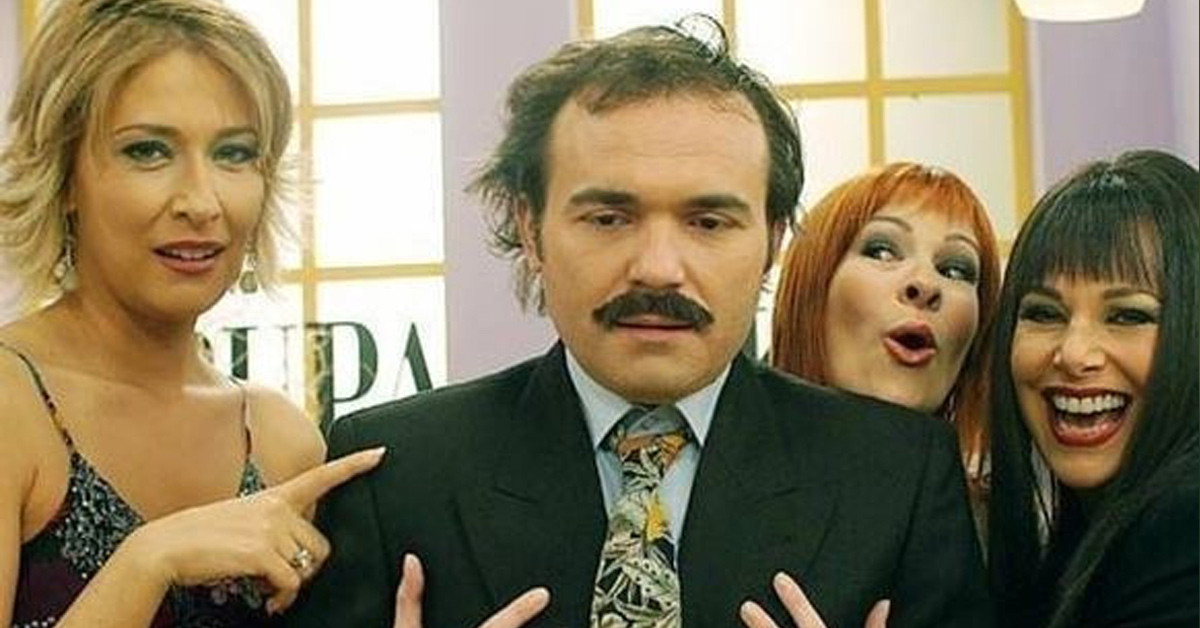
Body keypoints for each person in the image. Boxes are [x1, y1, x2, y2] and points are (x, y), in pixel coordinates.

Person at [289, 17, 990, 628]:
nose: (657, 269)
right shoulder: (396, 474)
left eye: (708, 222)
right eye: (608, 218)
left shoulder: (896, 477)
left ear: (774, 240)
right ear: (530, 228)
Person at [0, 1, 383, 626]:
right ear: (64, 175)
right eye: (148, 151)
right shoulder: (11, 403)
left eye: (234, 154)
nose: (202, 202)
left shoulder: (283, 440)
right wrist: (150, 560)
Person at [987, 149, 1199, 627]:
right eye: (1044, 313)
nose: (1074, 353)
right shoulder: (1078, 541)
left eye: (1128, 315)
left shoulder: (1185, 527)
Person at [771, 162, 1001, 500]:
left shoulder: (1005, 522)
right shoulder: (709, 481)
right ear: (811, 286)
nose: (925, 284)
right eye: (882, 252)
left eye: (954, 270)